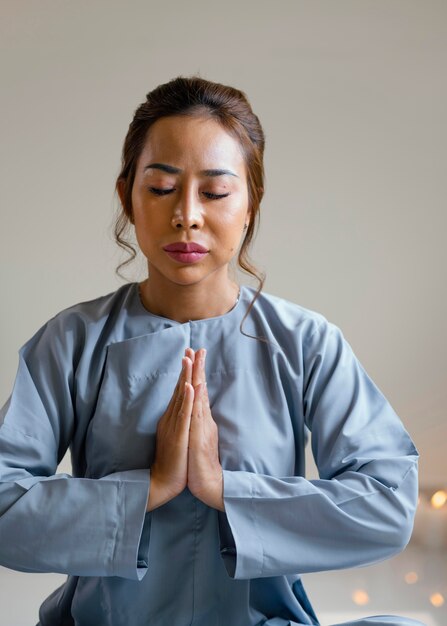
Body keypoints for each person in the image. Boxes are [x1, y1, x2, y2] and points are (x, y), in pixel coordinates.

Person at [0, 76, 423, 626]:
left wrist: (225, 491)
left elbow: (388, 506)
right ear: (127, 196)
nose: (187, 215)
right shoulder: (73, 340)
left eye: (216, 192)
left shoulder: (306, 342)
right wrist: (148, 490)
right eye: (160, 188)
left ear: (251, 203)